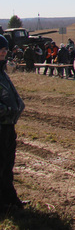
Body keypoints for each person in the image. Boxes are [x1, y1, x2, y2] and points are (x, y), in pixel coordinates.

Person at [0, 36, 26, 211]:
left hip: (8, 126)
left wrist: (19, 106)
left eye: (5, 49)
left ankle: (9, 199)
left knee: (8, 164)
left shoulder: (2, 73)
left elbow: (14, 95)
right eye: (0, 49)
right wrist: (8, 111)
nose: (4, 52)